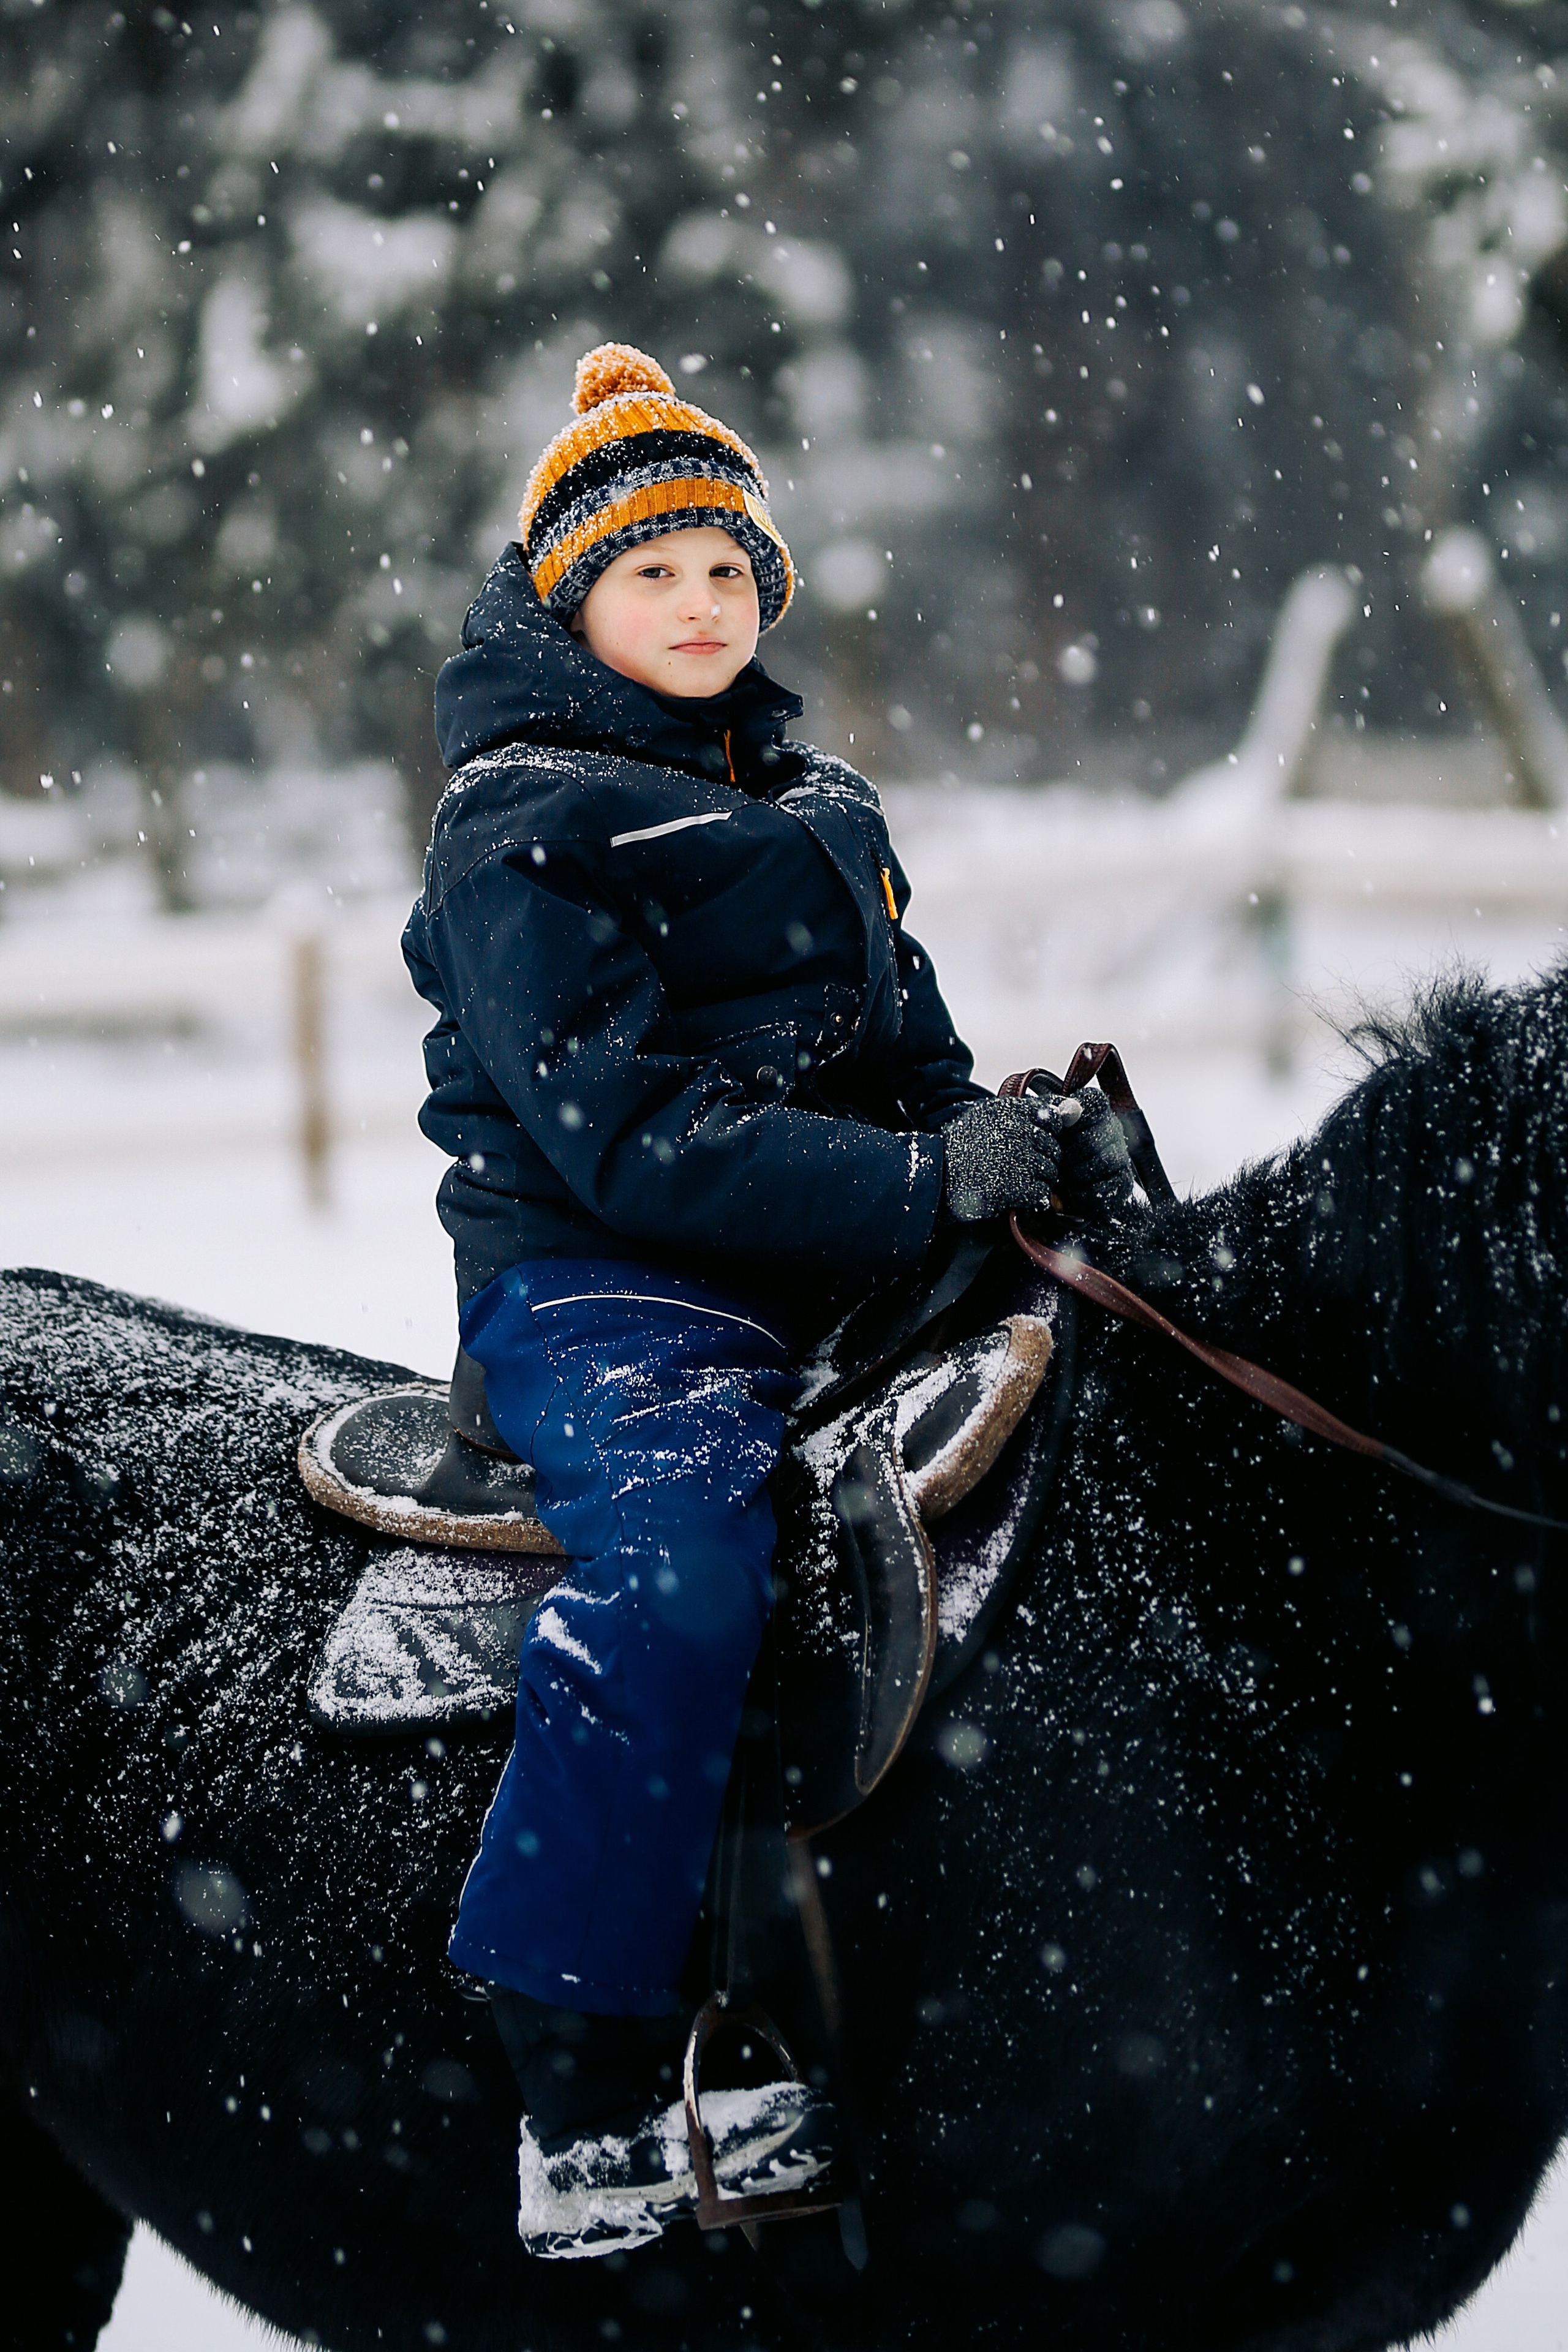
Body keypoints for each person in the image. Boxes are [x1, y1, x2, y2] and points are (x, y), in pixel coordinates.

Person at [402, 342, 1128, 2255]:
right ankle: (578, 2071)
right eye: (655, 572)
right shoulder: (521, 822)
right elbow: (628, 1136)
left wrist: (1004, 1139)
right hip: (609, 1279)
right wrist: (904, 1180)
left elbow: (918, 1048)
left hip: (837, 1248)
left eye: (730, 569)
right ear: (573, 597)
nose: (703, 602)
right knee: (686, 1575)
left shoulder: (822, 800)